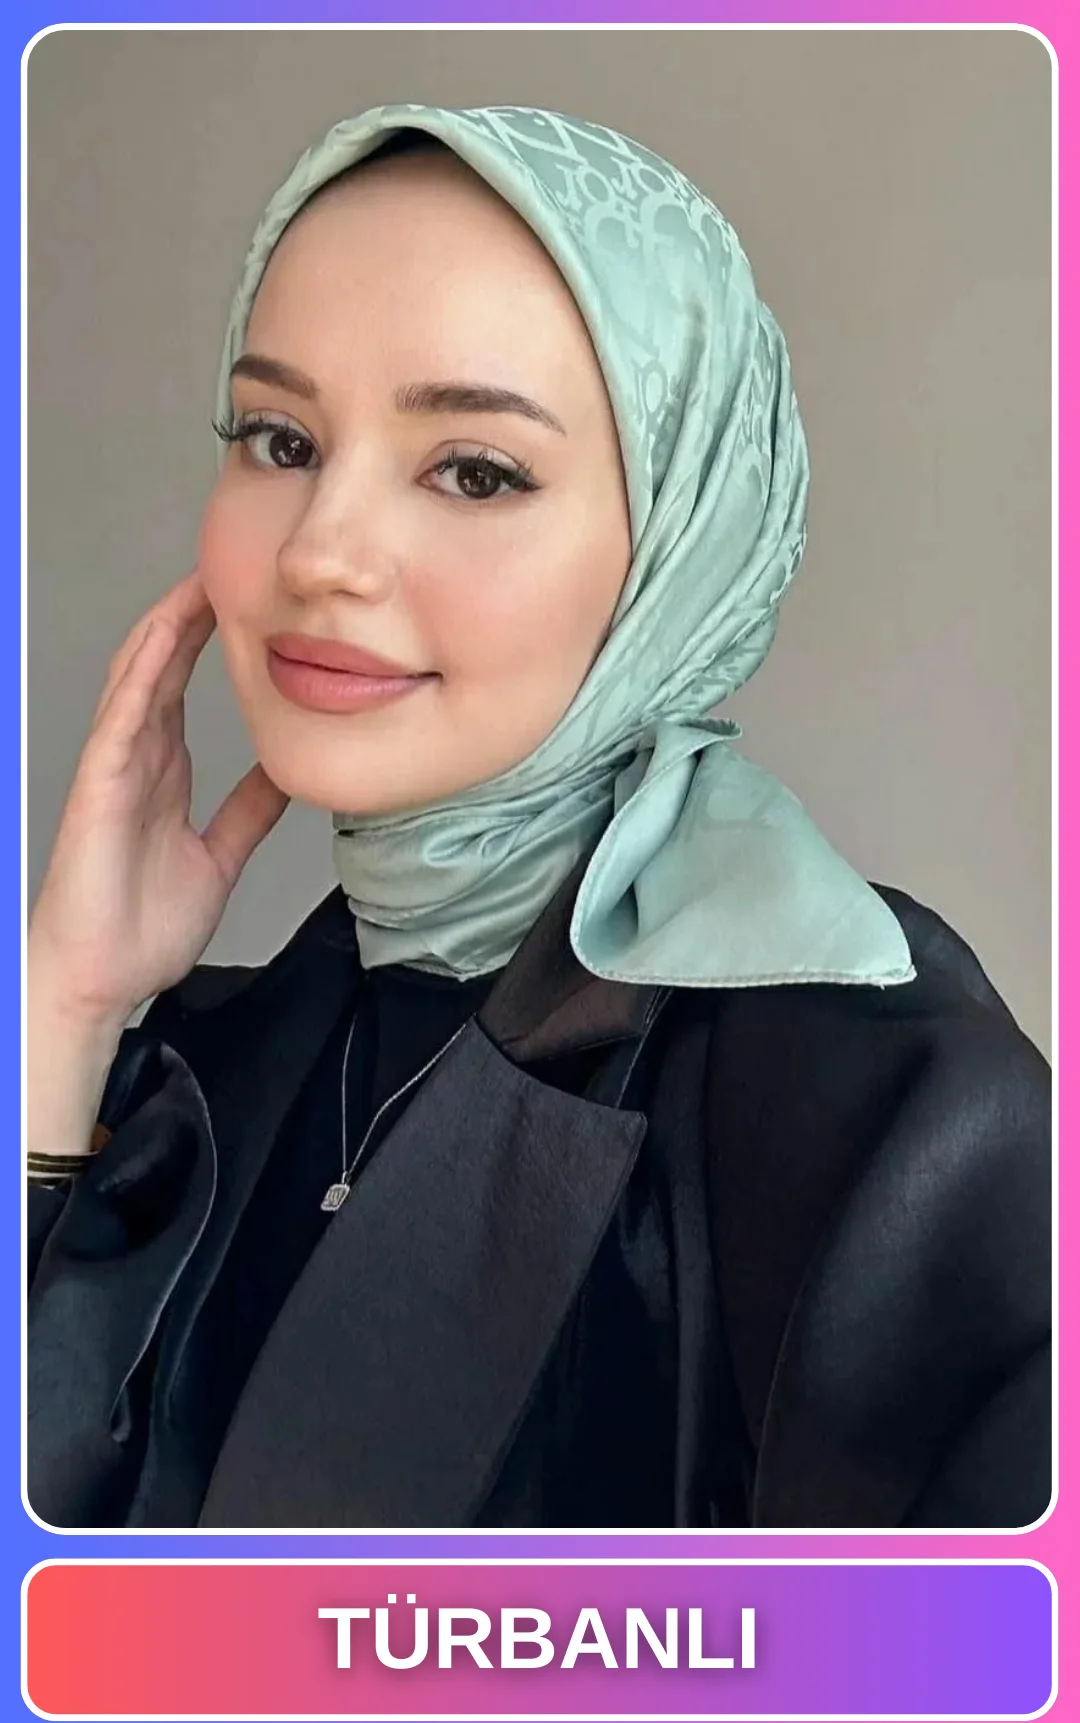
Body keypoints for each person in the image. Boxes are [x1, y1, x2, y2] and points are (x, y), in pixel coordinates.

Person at [26, 104, 1050, 1531]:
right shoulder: (199, 1057)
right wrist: (65, 1010)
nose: (322, 552)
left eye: (475, 471)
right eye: (281, 438)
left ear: (681, 542)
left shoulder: (872, 1095)